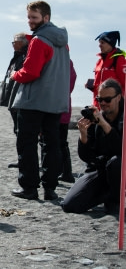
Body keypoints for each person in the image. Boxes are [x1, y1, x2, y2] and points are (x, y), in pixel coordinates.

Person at [9, 0, 71, 201]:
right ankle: (50, 188)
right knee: (51, 144)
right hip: (54, 103)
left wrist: (15, 74)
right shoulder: (63, 43)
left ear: (46, 17)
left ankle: (29, 187)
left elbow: (31, 72)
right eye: (28, 17)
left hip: (33, 101)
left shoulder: (39, 40)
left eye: (34, 17)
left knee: (26, 144)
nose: (30, 21)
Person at [62, 78, 123, 214]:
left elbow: (121, 149)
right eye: (100, 99)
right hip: (101, 170)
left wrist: (105, 125)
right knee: (70, 205)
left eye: (107, 100)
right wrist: (83, 137)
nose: (103, 103)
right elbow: (87, 157)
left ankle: (114, 200)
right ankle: (106, 194)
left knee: (116, 163)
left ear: (118, 98)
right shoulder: (97, 119)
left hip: (120, 170)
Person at [0, 32, 29, 168]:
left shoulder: (25, 57)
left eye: (15, 41)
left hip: (19, 100)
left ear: (23, 42)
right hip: (13, 99)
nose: (13, 44)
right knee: (17, 130)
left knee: (22, 131)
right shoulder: (17, 57)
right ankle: (22, 158)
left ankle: (25, 160)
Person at [85, 31, 126, 109]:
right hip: (98, 106)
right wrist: (92, 86)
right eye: (99, 42)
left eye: (102, 43)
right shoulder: (99, 61)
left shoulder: (119, 60)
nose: (99, 45)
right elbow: (101, 84)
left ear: (110, 44)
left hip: (113, 109)